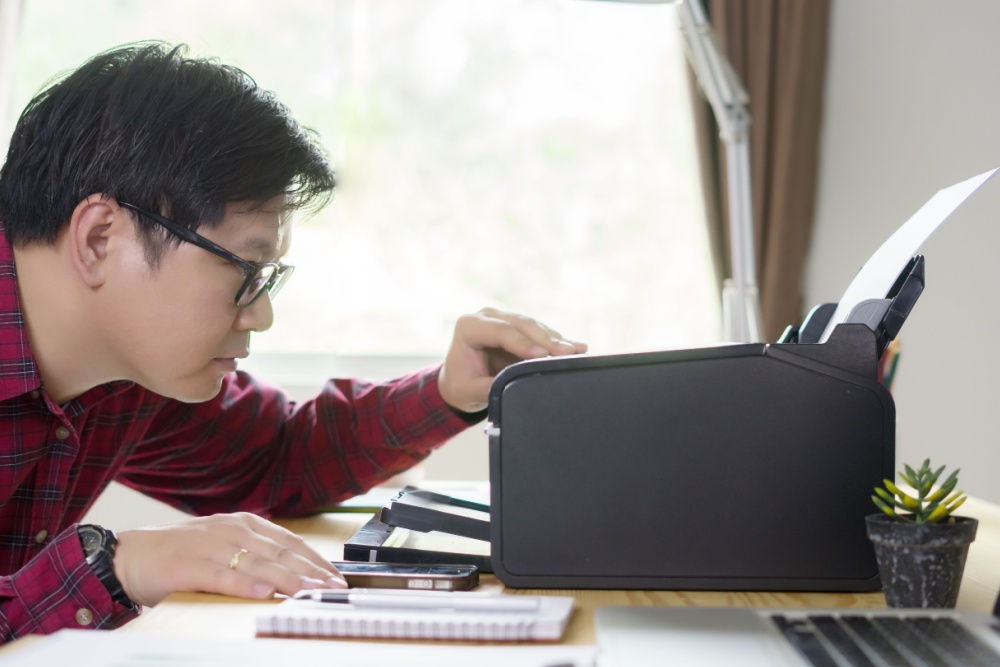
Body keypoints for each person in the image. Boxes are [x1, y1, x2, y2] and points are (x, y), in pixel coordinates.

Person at [0, 42, 586, 643]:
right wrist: (121, 566)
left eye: (269, 278)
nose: (262, 315)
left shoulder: (124, 377)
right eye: (246, 270)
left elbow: (277, 459)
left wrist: (448, 391)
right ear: (100, 239)